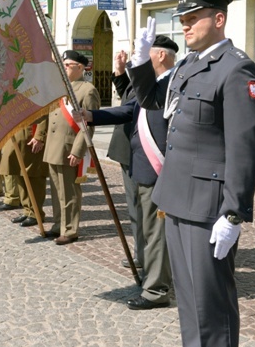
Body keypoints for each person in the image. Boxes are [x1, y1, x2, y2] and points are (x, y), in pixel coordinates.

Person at [127, 0, 255, 346]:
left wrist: (234, 213)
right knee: (189, 303)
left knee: (211, 304)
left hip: (208, 206)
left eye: (193, 19)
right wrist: (141, 62)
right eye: (182, 20)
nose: (185, 26)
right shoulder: (189, 63)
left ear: (218, 19)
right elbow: (151, 100)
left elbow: (246, 147)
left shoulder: (236, 69)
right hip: (176, 198)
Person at [77, 35, 178, 311]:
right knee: (146, 229)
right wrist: (92, 116)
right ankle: (151, 277)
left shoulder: (174, 83)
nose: (138, 58)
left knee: (157, 231)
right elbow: (129, 109)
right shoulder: (153, 84)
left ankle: (156, 290)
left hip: (160, 169)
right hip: (142, 165)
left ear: (159, 56)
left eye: (143, 53)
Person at [41, 50, 100, 245]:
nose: (64, 67)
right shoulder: (59, 88)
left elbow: (88, 125)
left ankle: (70, 229)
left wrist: (77, 151)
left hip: (68, 148)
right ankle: (59, 224)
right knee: (57, 191)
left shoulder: (87, 89)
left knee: (69, 192)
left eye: (68, 65)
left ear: (80, 68)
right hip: (53, 147)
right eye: (63, 64)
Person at [109, 50, 144, 270]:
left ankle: (148, 254)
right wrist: (120, 71)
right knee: (134, 207)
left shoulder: (157, 82)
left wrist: (93, 116)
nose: (132, 56)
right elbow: (127, 94)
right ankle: (141, 252)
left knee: (144, 208)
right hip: (126, 151)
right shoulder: (139, 81)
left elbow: (129, 109)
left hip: (142, 153)